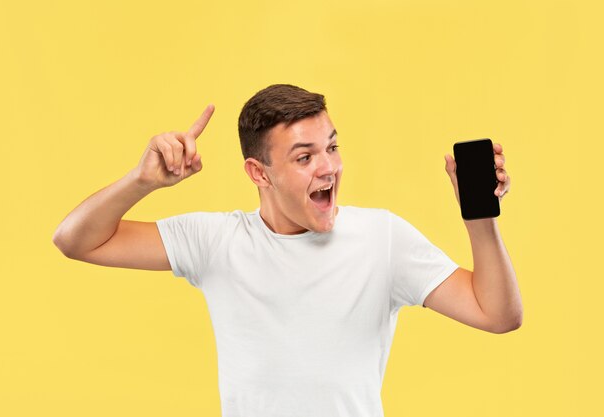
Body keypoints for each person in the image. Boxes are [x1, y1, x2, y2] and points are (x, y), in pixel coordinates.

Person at [53, 84, 522, 417]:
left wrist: (478, 218)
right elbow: (75, 239)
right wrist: (142, 181)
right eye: (304, 157)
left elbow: (497, 314)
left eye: (332, 147)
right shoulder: (216, 243)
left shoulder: (382, 239)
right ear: (259, 173)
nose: (329, 168)